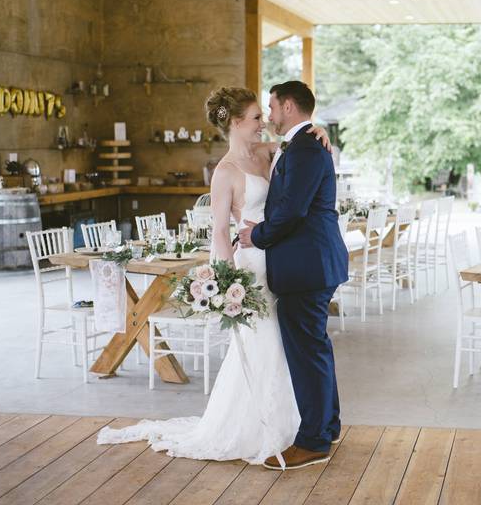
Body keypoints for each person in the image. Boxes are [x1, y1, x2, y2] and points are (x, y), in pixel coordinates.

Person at [96, 86, 333, 467]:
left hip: (283, 263)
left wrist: (318, 127)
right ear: (237, 123)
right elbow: (221, 232)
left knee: (291, 349)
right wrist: (226, 283)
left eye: (266, 114)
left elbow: (302, 146)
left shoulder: (271, 152)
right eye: (257, 117)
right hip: (253, 268)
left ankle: (304, 429)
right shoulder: (225, 171)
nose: (265, 122)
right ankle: (265, 429)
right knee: (267, 346)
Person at [238, 80, 348, 470]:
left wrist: (257, 235)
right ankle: (328, 426)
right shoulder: (304, 143)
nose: (268, 115)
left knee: (307, 353)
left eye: (271, 107)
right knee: (314, 348)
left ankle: (314, 441)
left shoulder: (304, 148)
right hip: (313, 263)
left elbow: (292, 212)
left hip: (307, 265)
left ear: (287, 106)